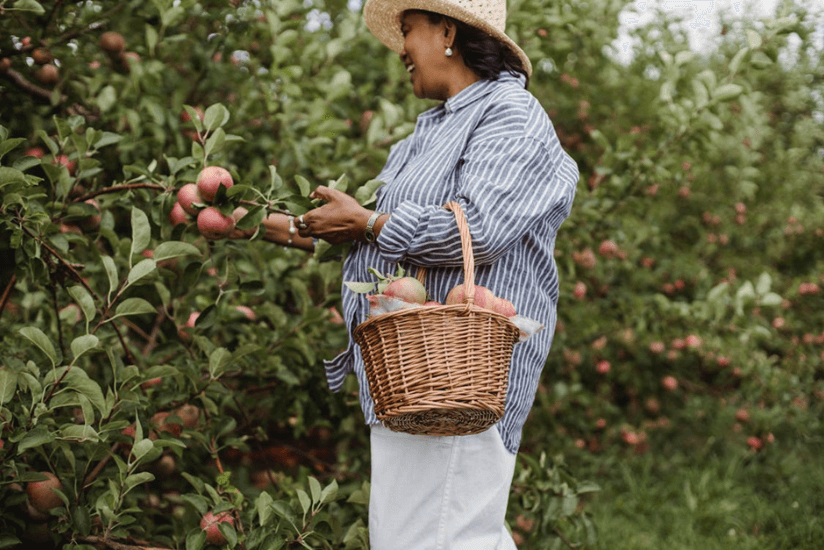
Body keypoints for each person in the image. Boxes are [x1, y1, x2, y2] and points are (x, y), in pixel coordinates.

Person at [242, 0, 579, 547]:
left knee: (436, 538)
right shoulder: (423, 136)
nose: (401, 49)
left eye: (408, 31)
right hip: (408, 374)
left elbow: (481, 229)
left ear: (448, 31)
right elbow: (356, 232)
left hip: (462, 374)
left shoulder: (510, 114)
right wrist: (249, 223)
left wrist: (371, 221)